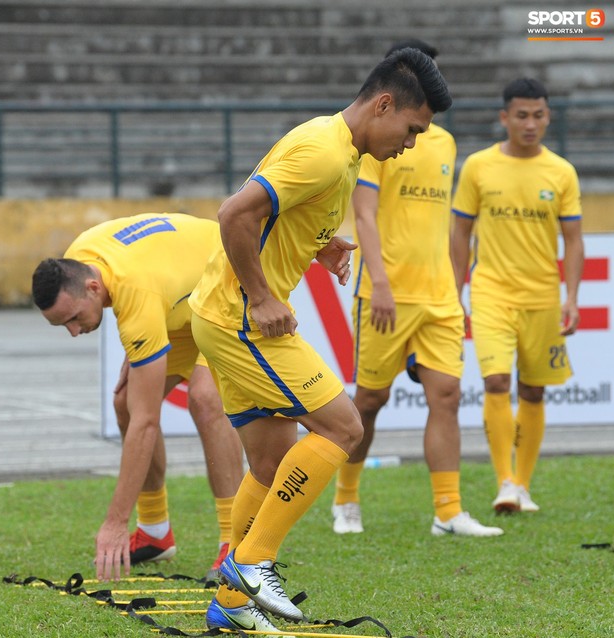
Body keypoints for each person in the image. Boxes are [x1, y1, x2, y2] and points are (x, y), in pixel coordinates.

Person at [189, 48, 452, 632]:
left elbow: (271, 208)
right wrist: (261, 296)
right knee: (344, 427)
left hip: (219, 314)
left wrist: (319, 241)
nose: (412, 143)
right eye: (412, 129)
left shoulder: (338, 146)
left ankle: (229, 610)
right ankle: (252, 564)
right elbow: (235, 213)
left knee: (272, 459)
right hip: (241, 318)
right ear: (383, 104)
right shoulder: (325, 151)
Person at [330, 40, 502, 538]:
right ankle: (345, 498)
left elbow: (446, 223)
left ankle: (447, 511)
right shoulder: (375, 139)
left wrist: (456, 284)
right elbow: (363, 213)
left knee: (446, 395)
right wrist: (379, 282)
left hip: (439, 297)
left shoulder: (444, 143)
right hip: (386, 294)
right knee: (369, 400)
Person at [31, 213, 244, 582]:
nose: (72, 331)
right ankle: (155, 532)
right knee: (124, 402)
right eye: (61, 324)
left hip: (230, 277)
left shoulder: (133, 290)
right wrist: (139, 353)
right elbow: (151, 277)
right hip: (180, 298)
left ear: (93, 289)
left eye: (74, 318)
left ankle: (237, 544)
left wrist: (114, 522)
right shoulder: (77, 262)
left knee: (205, 399)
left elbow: (147, 425)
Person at [451, 78, 584, 514]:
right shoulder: (478, 166)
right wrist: (457, 289)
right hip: (491, 291)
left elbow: (574, 240)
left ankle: (522, 484)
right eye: (521, 115)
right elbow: (460, 232)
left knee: (533, 390)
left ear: (548, 117)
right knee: (495, 381)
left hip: (543, 295)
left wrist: (572, 297)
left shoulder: (561, 171)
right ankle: (504, 482)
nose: (530, 124)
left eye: (538, 115)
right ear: (504, 117)